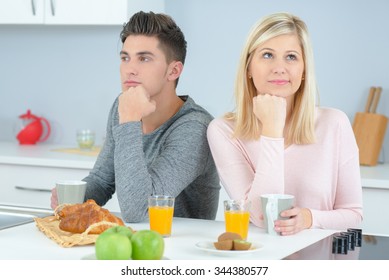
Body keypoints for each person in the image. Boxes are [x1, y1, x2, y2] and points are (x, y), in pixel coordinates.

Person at [51, 11, 220, 222]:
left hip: (180, 247)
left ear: (173, 70)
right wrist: (75, 198)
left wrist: (129, 121)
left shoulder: (195, 128)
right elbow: (103, 181)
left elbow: (139, 210)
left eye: (144, 58)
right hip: (133, 241)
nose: (129, 69)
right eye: (125, 58)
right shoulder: (123, 106)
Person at [207, 12, 363, 235]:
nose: (279, 67)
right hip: (261, 258)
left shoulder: (334, 123)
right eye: (268, 55)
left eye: (291, 57)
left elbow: (353, 214)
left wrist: (309, 218)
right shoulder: (224, 130)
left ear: (303, 71)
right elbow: (262, 216)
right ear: (249, 68)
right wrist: (272, 130)